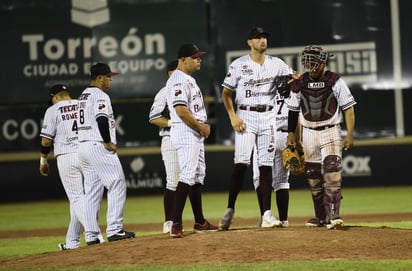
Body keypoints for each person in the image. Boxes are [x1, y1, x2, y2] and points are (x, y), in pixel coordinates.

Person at [219, 27, 296, 230]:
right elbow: (225, 93)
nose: (262, 40)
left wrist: (296, 80)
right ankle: (230, 209)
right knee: (242, 163)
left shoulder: (276, 64)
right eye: (258, 37)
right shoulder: (239, 65)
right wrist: (232, 116)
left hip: (268, 116)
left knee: (265, 165)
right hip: (245, 115)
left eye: (264, 37)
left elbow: (294, 78)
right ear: (249, 42)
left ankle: (266, 214)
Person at [286, 45, 356, 230]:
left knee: (332, 172)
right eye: (308, 61)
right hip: (308, 132)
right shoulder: (299, 83)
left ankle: (334, 216)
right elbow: (293, 110)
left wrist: (349, 134)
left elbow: (348, 107)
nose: (311, 65)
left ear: (323, 61)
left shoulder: (335, 80)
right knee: (313, 176)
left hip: (330, 129)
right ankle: (321, 216)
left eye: (314, 61)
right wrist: (291, 133)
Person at [39, 84, 104, 250]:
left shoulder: (53, 110)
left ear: (55, 97)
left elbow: (46, 141)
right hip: (87, 151)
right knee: (86, 198)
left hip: (66, 155)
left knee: (76, 198)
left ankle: (95, 234)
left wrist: (43, 161)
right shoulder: (83, 104)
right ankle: (72, 242)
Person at [77, 62, 135, 243]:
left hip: (83, 146)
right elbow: (101, 119)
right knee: (117, 183)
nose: (111, 79)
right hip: (98, 145)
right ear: (99, 77)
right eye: (108, 76)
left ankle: (92, 235)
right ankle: (115, 229)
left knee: (93, 191)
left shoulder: (82, 95)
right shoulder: (99, 95)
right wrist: (107, 141)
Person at [166, 44, 218, 238]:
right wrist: (201, 127)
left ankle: (200, 222)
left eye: (199, 57)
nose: (199, 59)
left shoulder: (189, 79)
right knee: (188, 174)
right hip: (187, 130)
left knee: (197, 176)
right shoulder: (178, 79)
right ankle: (176, 223)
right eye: (195, 57)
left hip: (193, 131)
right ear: (183, 60)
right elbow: (181, 111)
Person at [148, 60, 180, 234]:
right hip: (170, 138)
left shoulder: (189, 88)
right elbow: (153, 117)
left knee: (192, 179)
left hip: (189, 139)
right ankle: (169, 221)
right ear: (170, 73)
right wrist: (171, 122)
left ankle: (190, 220)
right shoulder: (164, 92)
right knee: (173, 181)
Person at [252, 92, 290, 227]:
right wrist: (296, 139)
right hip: (285, 134)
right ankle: (284, 220)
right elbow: (296, 114)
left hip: (265, 133)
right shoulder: (292, 89)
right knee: (282, 181)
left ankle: (265, 216)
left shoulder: (262, 88)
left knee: (259, 176)